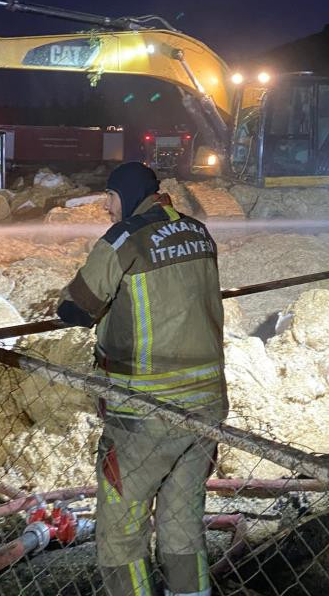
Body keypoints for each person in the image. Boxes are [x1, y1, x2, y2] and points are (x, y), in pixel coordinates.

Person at [57, 162, 227, 596]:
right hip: (206, 405)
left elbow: (77, 308)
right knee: (182, 521)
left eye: (110, 199)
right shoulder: (197, 232)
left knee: (121, 532)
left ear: (126, 195)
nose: (107, 210)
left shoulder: (125, 238)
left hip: (145, 412)